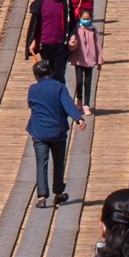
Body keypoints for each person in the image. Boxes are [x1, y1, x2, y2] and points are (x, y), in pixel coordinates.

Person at [25, 54, 86, 205]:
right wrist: (78, 118)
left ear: (36, 75)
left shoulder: (33, 89)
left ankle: (41, 197)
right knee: (59, 162)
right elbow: (68, 104)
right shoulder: (59, 87)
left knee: (41, 162)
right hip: (57, 131)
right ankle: (58, 192)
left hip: (39, 131)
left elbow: (31, 104)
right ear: (50, 72)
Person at [27, 0, 72, 86]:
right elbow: (35, 25)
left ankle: (60, 97)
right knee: (48, 73)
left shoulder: (67, 2)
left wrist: (73, 35)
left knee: (60, 74)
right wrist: (33, 40)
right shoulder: (41, 2)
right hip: (45, 44)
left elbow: (73, 22)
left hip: (61, 44)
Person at [71, 0, 104, 109]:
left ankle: (86, 104)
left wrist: (99, 61)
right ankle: (79, 99)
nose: (86, 21)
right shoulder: (76, 29)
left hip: (90, 60)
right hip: (79, 60)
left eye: (88, 19)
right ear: (79, 18)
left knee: (88, 82)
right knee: (79, 81)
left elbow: (98, 46)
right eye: (83, 19)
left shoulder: (93, 30)